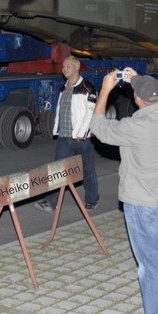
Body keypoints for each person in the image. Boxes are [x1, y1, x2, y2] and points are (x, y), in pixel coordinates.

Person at [89, 68, 158, 314]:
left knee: (149, 266)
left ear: (138, 100)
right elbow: (149, 95)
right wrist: (136, 80)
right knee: (154, 260)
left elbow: (99, 128)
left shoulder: (137, 126)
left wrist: (105, 90)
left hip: (142, 205)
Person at [35, 55, 99, 212]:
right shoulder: (63, 88)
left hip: (81, 138)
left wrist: (82, 133)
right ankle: (51, 202)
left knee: (87, 170)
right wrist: (56, 130)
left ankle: (92, 199)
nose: (64, 69)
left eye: (68, 66)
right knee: (58, 171)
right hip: (64, 137)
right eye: (63, 67)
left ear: (77, 67)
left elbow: (90, 113)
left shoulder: (87, 88)